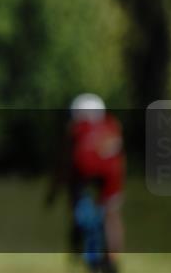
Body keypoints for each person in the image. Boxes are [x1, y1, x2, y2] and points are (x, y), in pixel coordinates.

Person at [64, 93, 125, 272]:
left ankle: (80, 248)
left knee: (82, 215)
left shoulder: (76, 131)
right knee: (112, 216)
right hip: (110, 182)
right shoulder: (112, 127)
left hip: (85, 183)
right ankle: (112, 258)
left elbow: (69, 162)